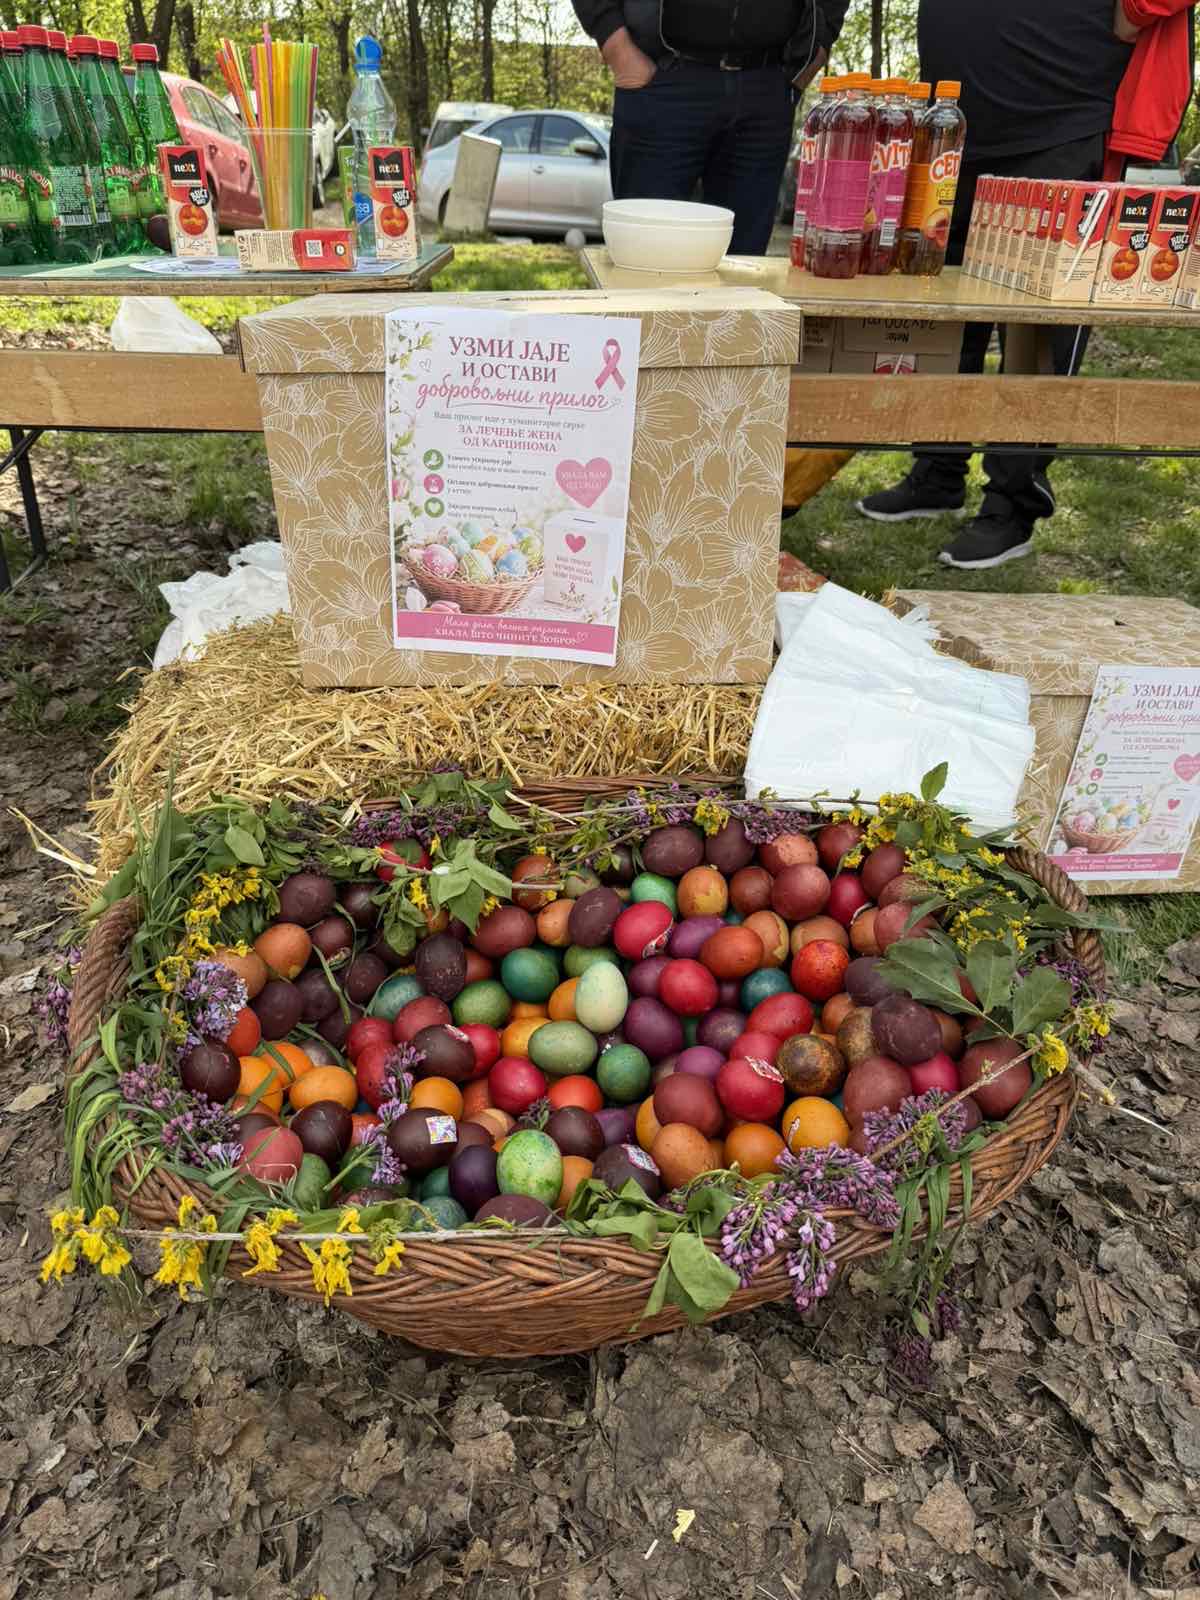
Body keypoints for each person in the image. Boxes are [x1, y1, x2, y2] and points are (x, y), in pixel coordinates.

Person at [858, 0, 1195, 570]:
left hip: (1060, 118)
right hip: (958, 118)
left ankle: (1011, 505)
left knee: (1037, 329)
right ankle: (937, 470)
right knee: (943, 308)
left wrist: (1136, 10)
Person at [572, 0, 849, 255]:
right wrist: (616, 46)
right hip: (661, 81)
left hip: (767, 88)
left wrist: (815, 51)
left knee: (742, 270)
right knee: (643, 260)